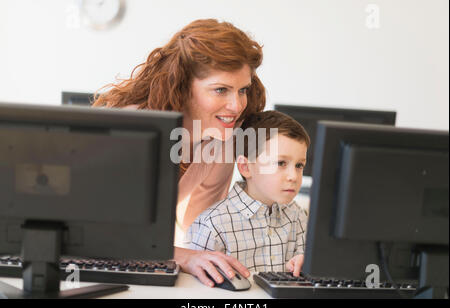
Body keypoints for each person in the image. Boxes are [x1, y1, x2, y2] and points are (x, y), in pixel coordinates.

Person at [92, 19, 266, 287]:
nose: (236, 105)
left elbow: (198, 226)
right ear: (183, 87)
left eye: (242, 90)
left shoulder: (220, 139)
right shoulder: (133, 129)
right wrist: (182, 256)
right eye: (221, 90)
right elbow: (98, 233)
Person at [185, 111, 310, 277]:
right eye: (281, 163)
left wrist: (307, 263)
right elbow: (192, 289)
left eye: (299, 165)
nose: (293, 176)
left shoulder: (298, 216)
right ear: (245, 167)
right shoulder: (212, 226)